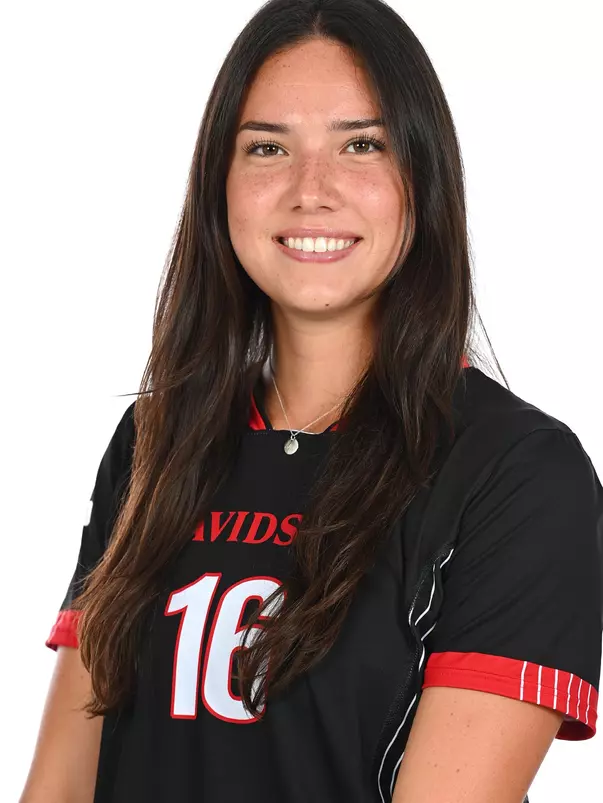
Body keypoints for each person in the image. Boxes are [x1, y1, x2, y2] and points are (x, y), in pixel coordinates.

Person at [21, 1, 603, 802]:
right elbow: (58, 787)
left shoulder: (516, 472)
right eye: (267, 147)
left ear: (423, 177)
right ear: (219, 184)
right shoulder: (153, 441)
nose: (310, 191)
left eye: (361, 145)